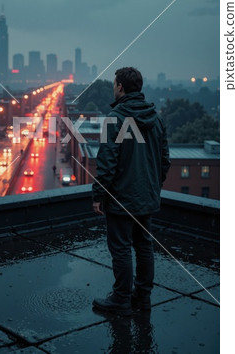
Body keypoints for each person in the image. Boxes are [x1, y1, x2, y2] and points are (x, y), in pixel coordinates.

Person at [92, 67, 170, 315]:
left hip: (121, 198)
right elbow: (165, 160)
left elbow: (106, 163)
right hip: (146, 197)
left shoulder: (115, 118)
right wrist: (152, 186)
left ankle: (121, 299)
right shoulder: (156, 118)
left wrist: (99, 195)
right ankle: (143, 298)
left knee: (122, 248)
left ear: (121, 87)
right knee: (144, 246)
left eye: (115, 84)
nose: (113, 87)